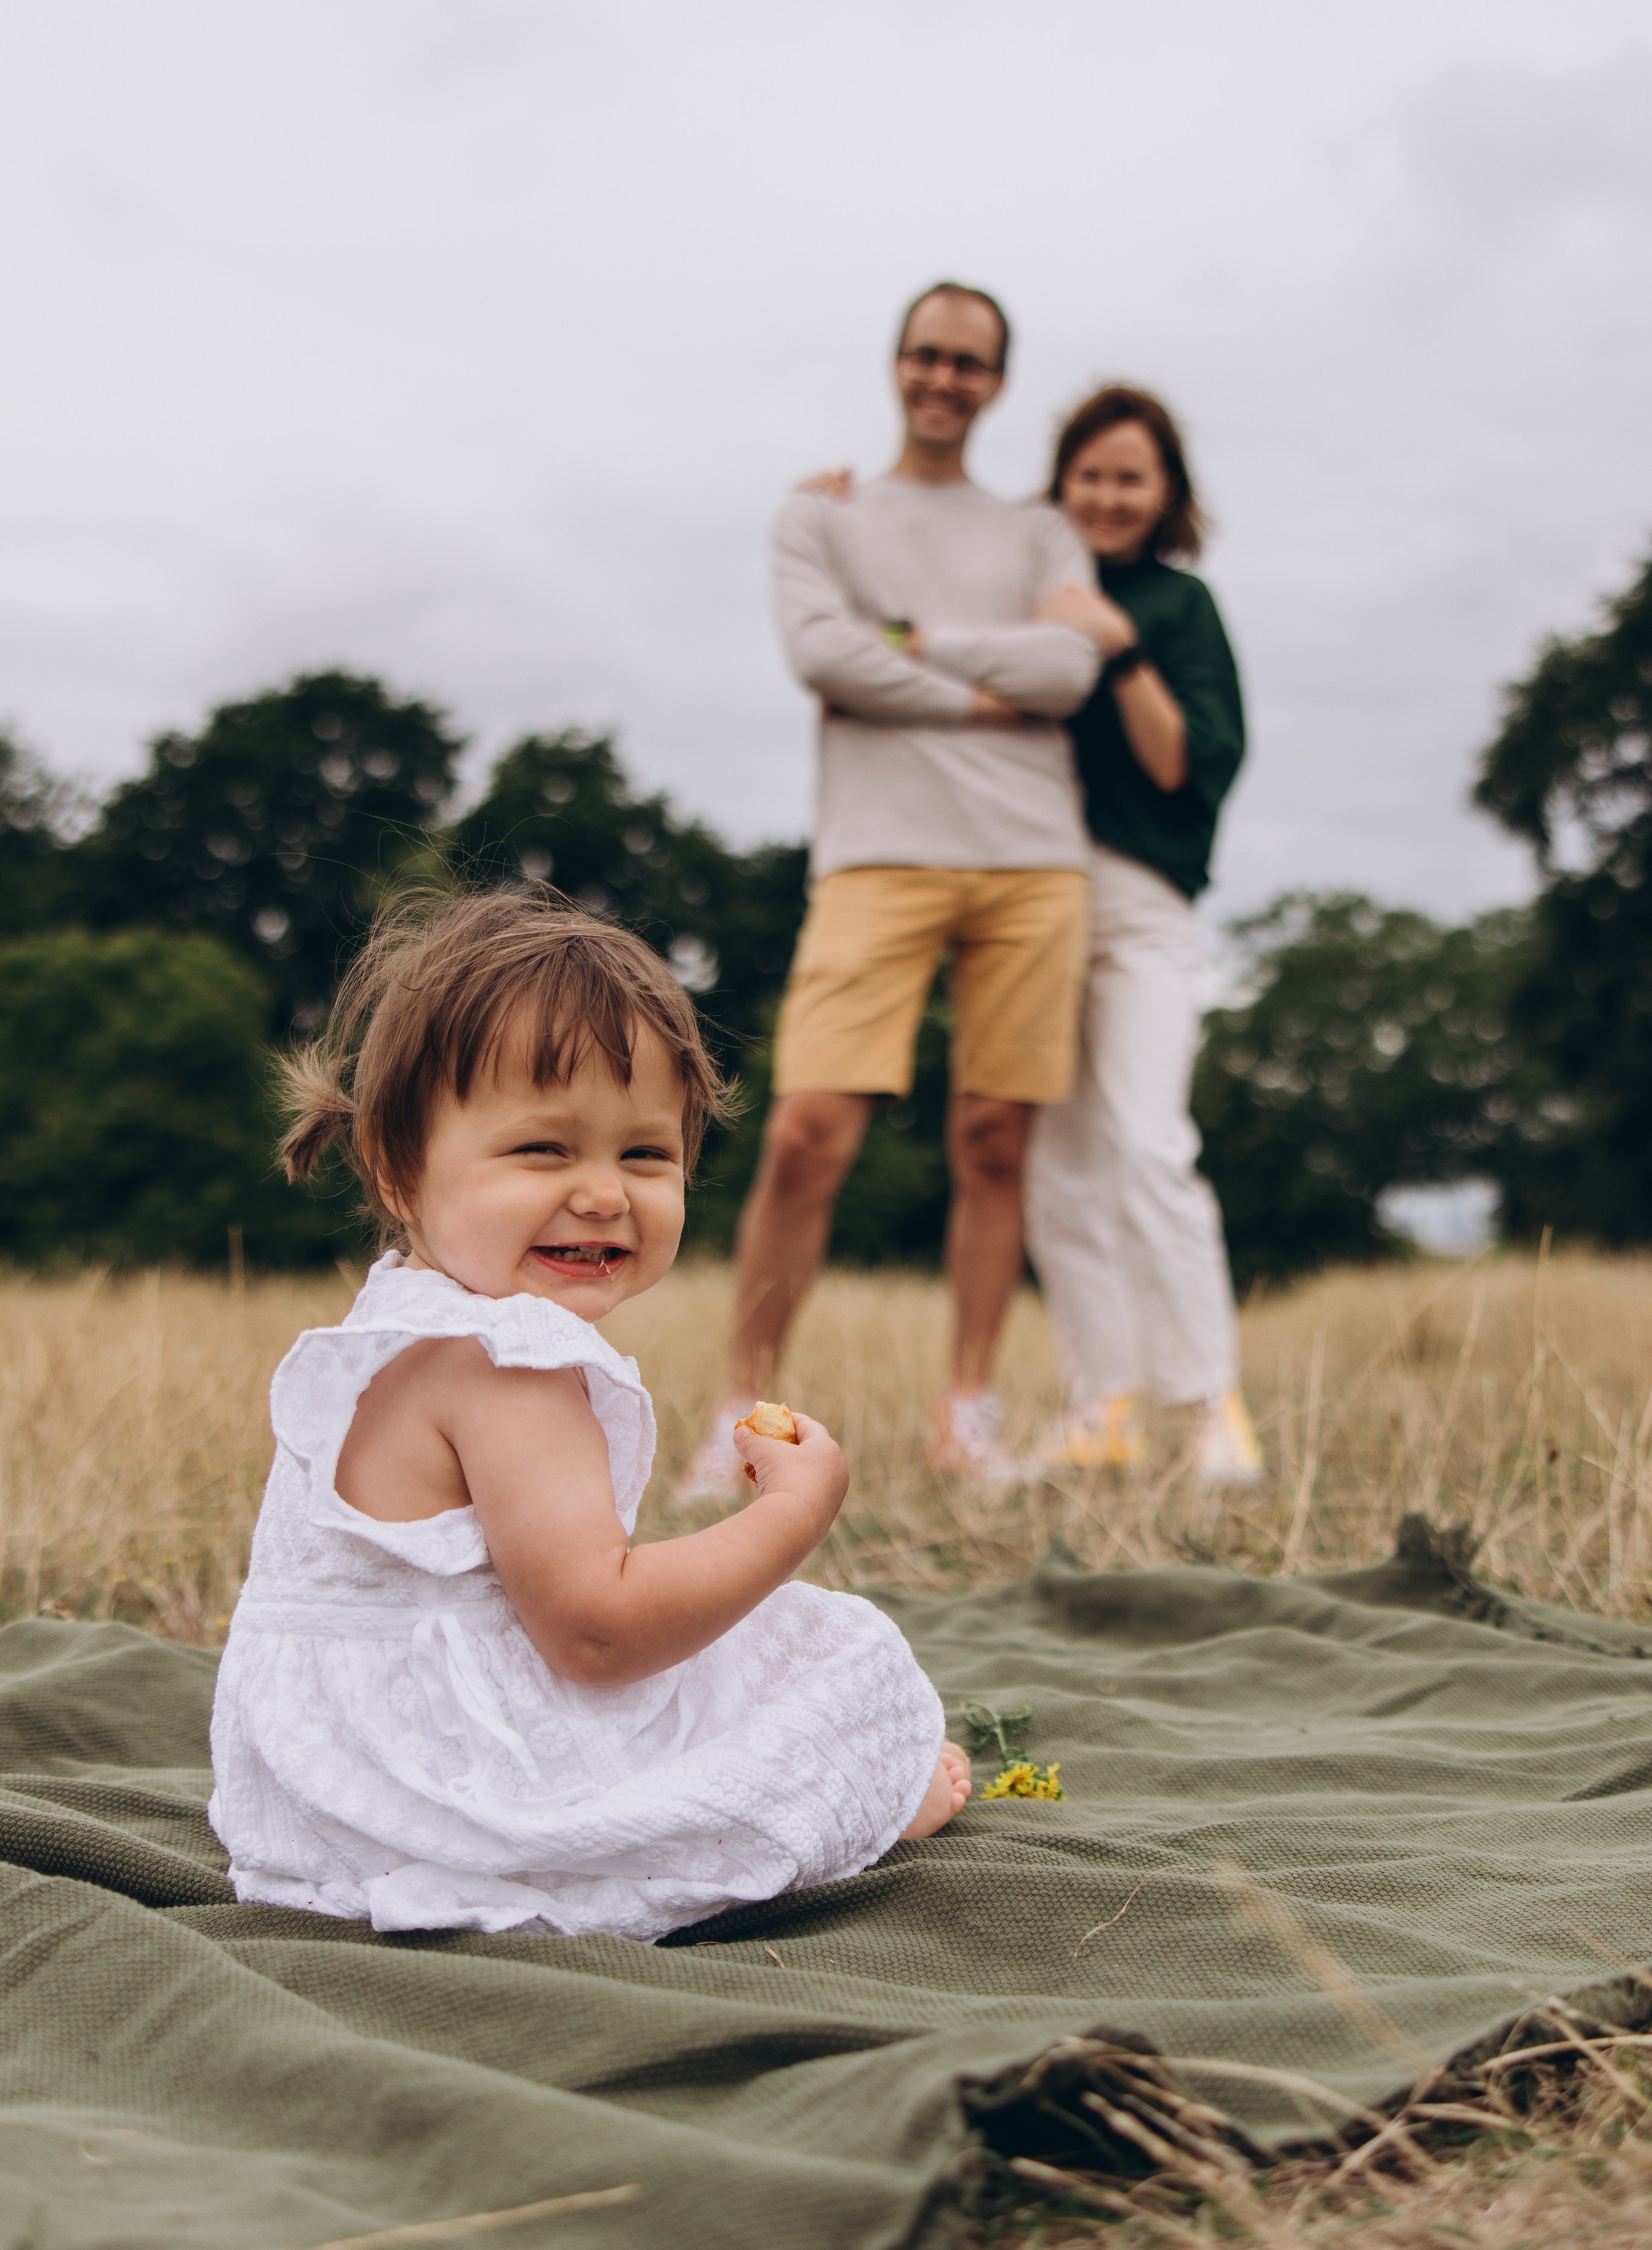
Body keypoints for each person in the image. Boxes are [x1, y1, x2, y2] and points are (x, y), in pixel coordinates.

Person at [208, 887, 967, 1943]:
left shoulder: (408, 1314)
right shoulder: (513, 1362)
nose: (605, 1193)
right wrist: (793, 1512)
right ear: (398, 1165)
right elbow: (599, 1633)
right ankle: (851, 1808)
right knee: (834, 1651)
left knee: (741, 1653)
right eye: (543, 1151)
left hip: (324, 1791)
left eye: (646, 1154)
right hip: (455, 1793)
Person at [674, 282, 1102, 1499]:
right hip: (876, 852)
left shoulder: (1040, 533)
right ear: (896, 363)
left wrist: (901, 644)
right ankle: (740, 1416)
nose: (945, 377)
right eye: (927, 354)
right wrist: (977, 685)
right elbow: (819, 653)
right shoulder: (822, 519)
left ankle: (967, 1411)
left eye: (970, 362)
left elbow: (1070, 666)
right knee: (808, 1134)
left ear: (997, 382)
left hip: (1032, 860)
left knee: (994, 1139)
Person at [1023, 385, 1262, 1485]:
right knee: (1059, 1164)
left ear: (1165, 491)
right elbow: (915, 619)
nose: (1109, 495)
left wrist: (1119, 651)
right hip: (1029, 895)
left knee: (1149, 1141)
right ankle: (1098, 1407)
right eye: (1091, 474)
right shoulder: (1031, 583)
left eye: (1132, 476)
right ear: (1061, 480)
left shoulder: (1179, 607)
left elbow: (1179, 762)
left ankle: (1214, 1405)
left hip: (1140, 903)